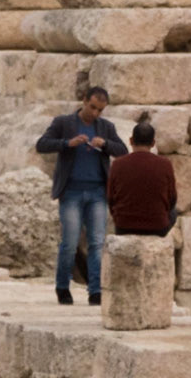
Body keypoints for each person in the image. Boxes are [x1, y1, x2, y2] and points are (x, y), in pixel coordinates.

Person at [35, 87, 127, 305]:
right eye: (92, 107)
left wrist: (105, 144)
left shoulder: (106, 127)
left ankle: (95, 291)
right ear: (84, 101)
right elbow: (42, 144)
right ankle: (62, 287)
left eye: (100, 110)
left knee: (96, 243)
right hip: (71, 191)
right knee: (69, 242)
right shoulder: (63, 123)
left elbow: (122, 151)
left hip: (97, 192)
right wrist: (68, 143)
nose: (95, 113)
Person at [107, 117, 178, 237]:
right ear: (153, 143)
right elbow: (172, 198)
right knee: (174, 212)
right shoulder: (165, 164)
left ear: (131, 140)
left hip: (124, 226)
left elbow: (110, 198)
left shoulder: (118, 164)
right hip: (157, 226)